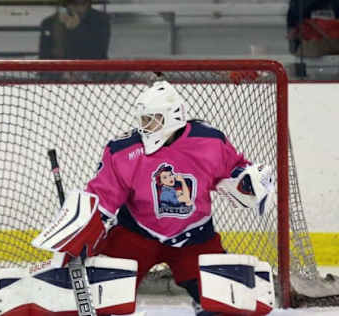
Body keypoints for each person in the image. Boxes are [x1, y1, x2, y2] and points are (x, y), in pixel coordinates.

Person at [78, 80, 273, 316]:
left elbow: (234, 168)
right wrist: (81, 233)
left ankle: (205, 301)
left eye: (153, 119)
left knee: (224, 305)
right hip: (136, 234)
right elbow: (102, 197)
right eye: (143, 120)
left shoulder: (209, 141)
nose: (145, 126)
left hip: (195, 236)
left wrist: (247, 180)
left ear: (173, 116)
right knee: (99, 295)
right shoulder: (123, 150)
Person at [38, 0, 110, 63]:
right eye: (71, 3)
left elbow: (98, 52)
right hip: (58, 73)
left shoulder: (100, 21)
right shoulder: (49, 23)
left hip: (91, 73)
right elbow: (44, 56)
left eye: (81, 4)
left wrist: (77, 28)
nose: (76, 9)